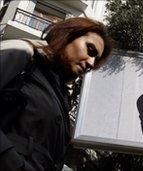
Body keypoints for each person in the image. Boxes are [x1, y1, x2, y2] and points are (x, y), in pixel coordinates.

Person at [0, 17, 113, 171]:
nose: (91, 63)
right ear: (68, 36)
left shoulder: (60, 96)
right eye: (90, 50)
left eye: (95, 58)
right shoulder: (24, 53)